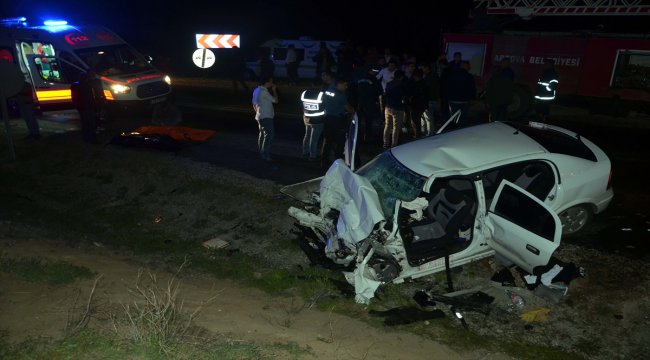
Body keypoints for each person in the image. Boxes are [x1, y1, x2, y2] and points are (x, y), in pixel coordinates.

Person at [321, 78, 353, 168]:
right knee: (340, 141)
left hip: (327, 119)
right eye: (345, 85)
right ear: (339, 84)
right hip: (337, 121)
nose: (346, 87)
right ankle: (338, 161)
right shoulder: (341, 95)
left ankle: (323, 161)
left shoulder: (328, 90)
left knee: (327, 141)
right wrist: (353, 111)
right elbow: (348, 108)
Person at [71, 70, 104, 143]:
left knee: (85, 123)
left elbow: (74, 97)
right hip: (89, 106)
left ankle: (85, 137)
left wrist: (77, 106)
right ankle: (92, 138)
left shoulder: (75, 85)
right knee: (91, 123)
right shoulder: (89, 85)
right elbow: (94, 95)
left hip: (82, 107)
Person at [252, 76, 278, 161]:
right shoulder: (264, 92)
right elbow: (275, 101)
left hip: (260, 116)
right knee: (269, 136)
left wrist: (257, 112)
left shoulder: (256, 90)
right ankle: (265, 155)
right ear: (266, 83)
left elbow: (253, 103)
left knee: (262, 135)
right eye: (270, 82)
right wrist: (274, 90)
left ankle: (262, 153)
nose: (271, 83)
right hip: (266, 116)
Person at [444, 60, 475, 127]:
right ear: (464, 66)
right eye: (468, 65)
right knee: (464, 119)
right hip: (465, 101)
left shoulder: (452, 75)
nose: (469, 67)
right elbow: (472, 89)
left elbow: (447, 87)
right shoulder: (469, 76)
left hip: (453, 100)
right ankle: (463, 133)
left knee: (455, 119)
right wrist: (472, 98)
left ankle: (455, 132)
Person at [485, 58, 515, 123]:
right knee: (502, 118)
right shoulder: (509, 77)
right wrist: (509, 100)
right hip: (504, 102)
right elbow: (510, 91)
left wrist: (487, 101)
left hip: (495, 102)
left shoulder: (492, 80)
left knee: (494, 118)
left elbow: (489, 91)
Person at [383, 70, 407, 148]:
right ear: (401, 77)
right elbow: (403, 97)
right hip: (398, 108)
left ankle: (385, 143)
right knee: (396, 127)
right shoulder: (402, 85)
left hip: (388, 107)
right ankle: (394, 145)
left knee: (387, 126)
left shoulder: (389, 84)